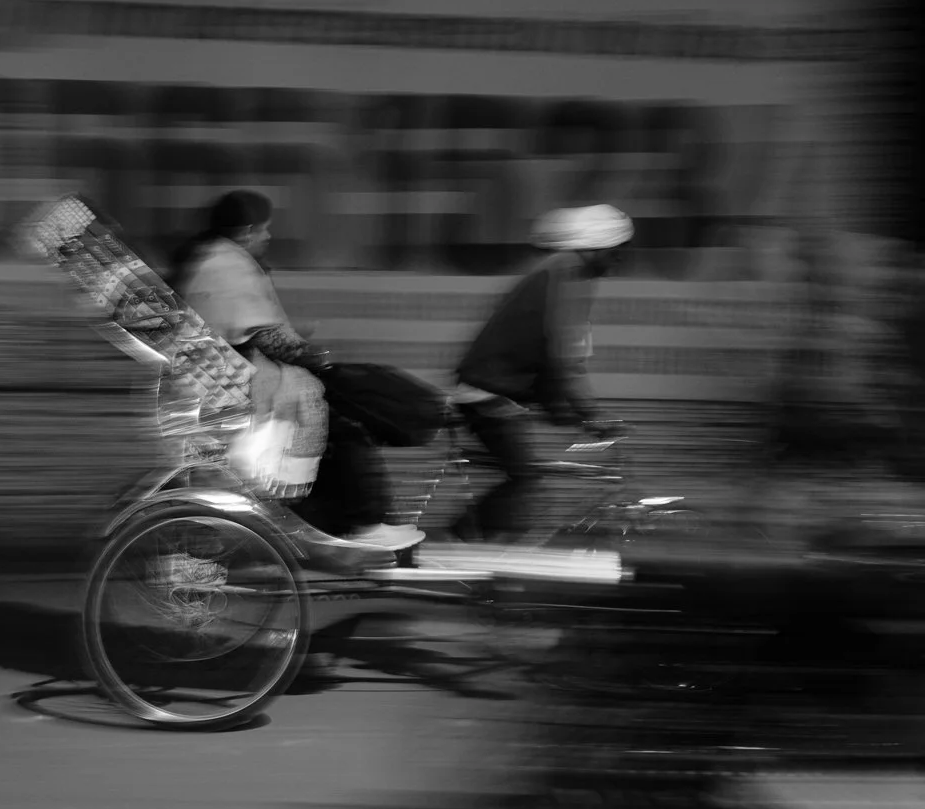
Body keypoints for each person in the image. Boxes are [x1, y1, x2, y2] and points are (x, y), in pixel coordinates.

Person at [170, 190, 422, 551]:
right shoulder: (226, 265)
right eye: (264, 229)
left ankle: (320, 532)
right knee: (346, 433)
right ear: (246, 231)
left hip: (217, 394)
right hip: (234, 401)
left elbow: (244, 328)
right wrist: (312, 356)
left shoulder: (208, 260)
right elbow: (264, 335)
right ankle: (365, 525)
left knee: (324, 435)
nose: (268, 237)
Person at [450, 203, 634, 542]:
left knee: (527, 483)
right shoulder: (563, 272)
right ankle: (457, 542)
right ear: (597, 247)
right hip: (487, 394)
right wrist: (590, 415)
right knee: (525, 478)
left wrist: (570, 414)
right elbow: (561, 356)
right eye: (618, 251)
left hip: (498, 393)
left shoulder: (568, 274)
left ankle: (487, 543)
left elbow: (554, 356)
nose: (620, 260)